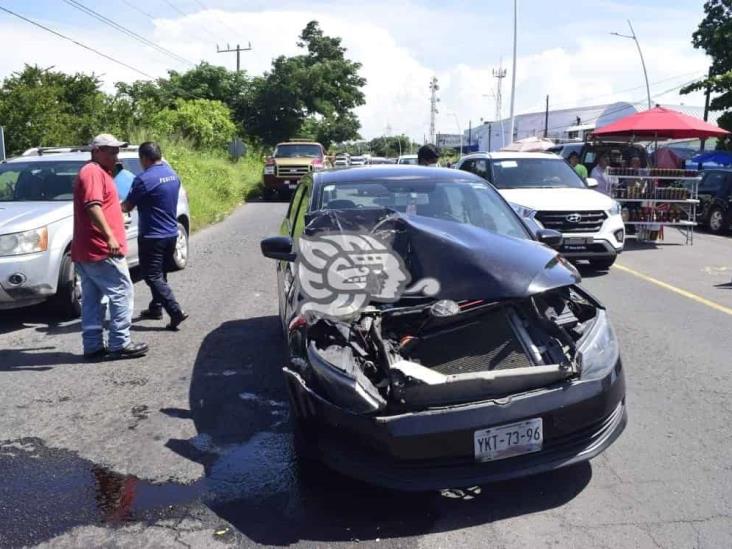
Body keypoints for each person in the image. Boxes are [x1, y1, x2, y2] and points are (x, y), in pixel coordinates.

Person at [72, 134, 148, 360]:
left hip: (89, 248)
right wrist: (110, 237)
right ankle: (119, 342)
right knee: (122, 291)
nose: (115, 155)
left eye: (117, 151)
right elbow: (93, 207)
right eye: (110, 150)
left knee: (94, 298)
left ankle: (93, 345)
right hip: (101, 248)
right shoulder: (93, 172)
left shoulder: (98, 172)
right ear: (96, 151)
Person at [122, 142, 188, 330]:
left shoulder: (143, 179)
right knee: (161, 273)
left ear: (143, 158)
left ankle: (175, 311)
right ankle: (156, 307)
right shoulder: (172, 175)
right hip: (171, 232)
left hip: (152, 235)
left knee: (152, 276)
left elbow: (127, 206)